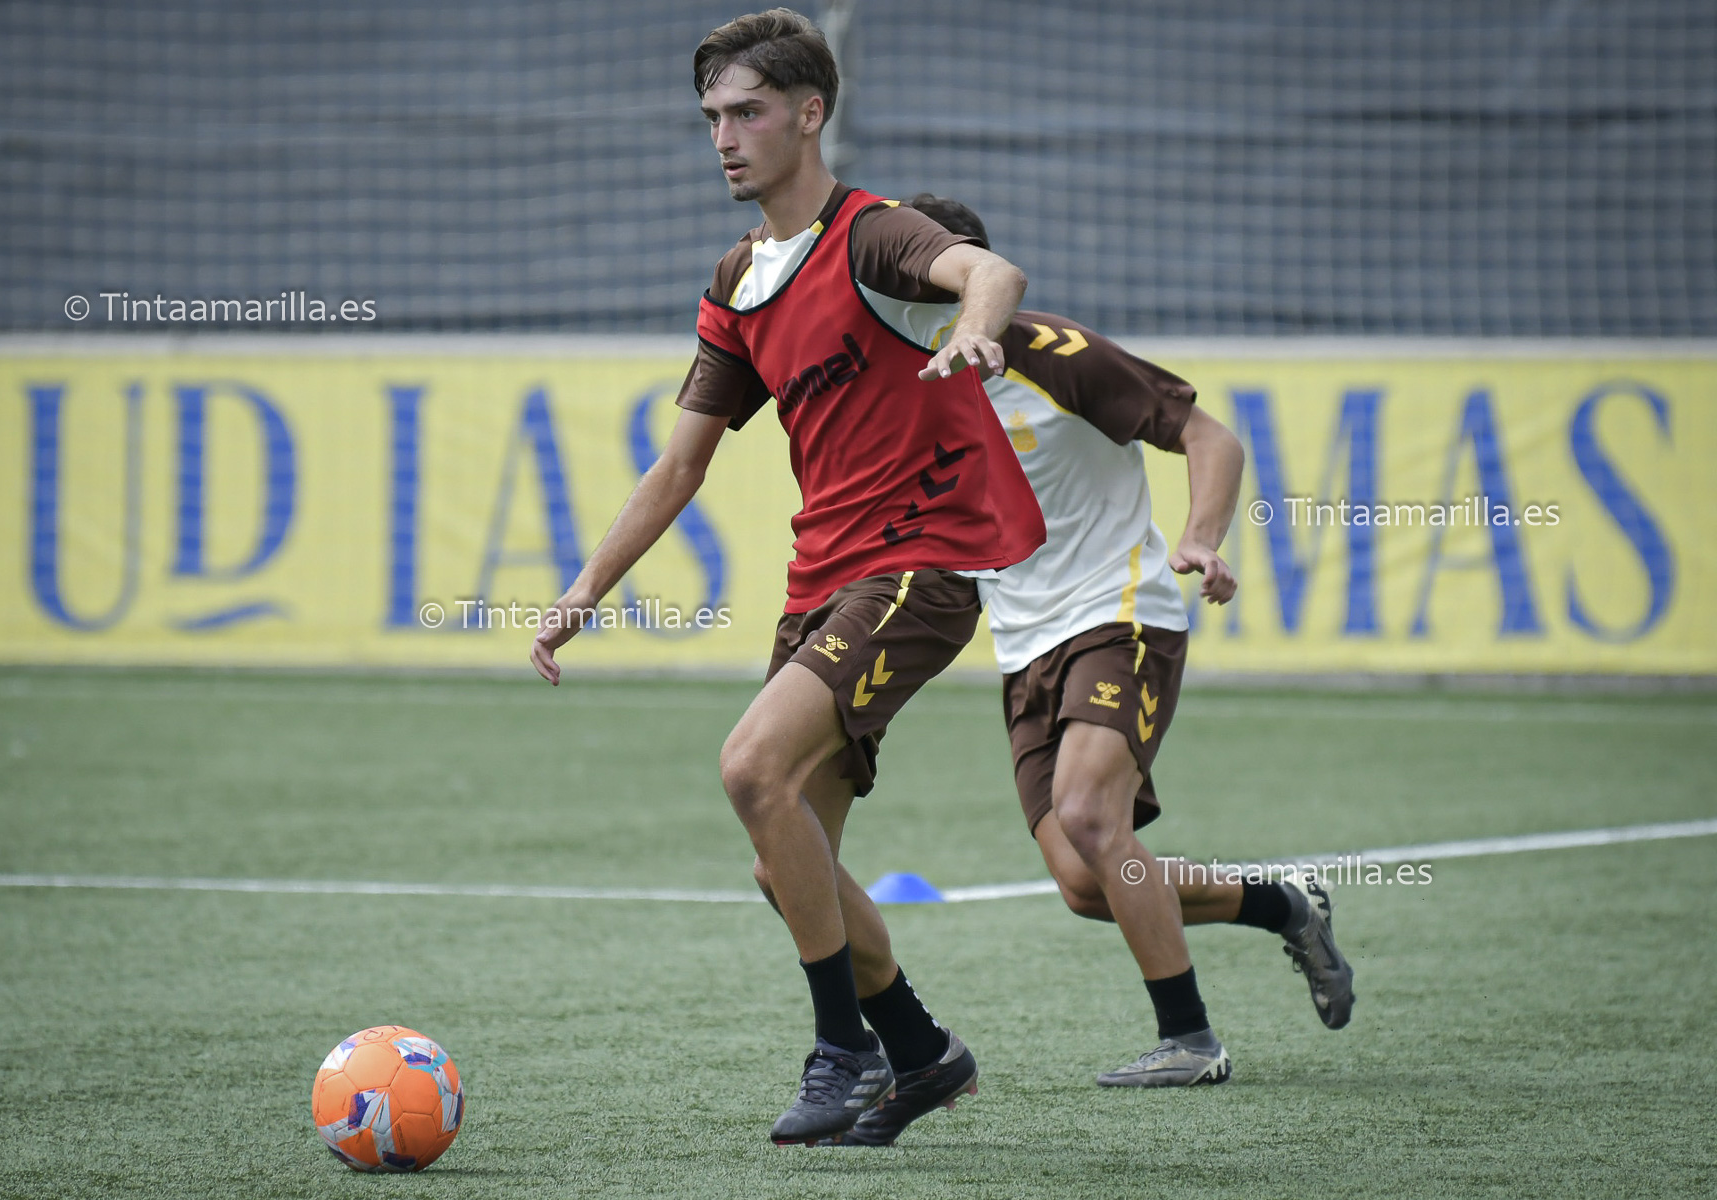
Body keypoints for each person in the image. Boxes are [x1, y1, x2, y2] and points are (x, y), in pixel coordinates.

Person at [528, 13, 1046, 1147]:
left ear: (811, 114)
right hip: (822, 584)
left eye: (748, 112)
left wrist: (975, 328)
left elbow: (990, 271)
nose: (724, 136)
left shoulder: (874, 235)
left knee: (749, 766)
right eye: (712, 116)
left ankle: (841, 1052)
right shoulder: (737, 279)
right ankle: (921, 1050)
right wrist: (583, 592)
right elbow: (680, 465)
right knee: (785, 862)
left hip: (915, 566)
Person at [872, 193, 1355, 1104]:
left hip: (1118, 612)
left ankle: (1190, 1039)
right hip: (1023, 645)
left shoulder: (1056, 354)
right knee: (1086, 882)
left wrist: (1200, 538)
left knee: (1093, 817)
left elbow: (1210, 438)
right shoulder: (895, 385)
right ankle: (1284, 904)